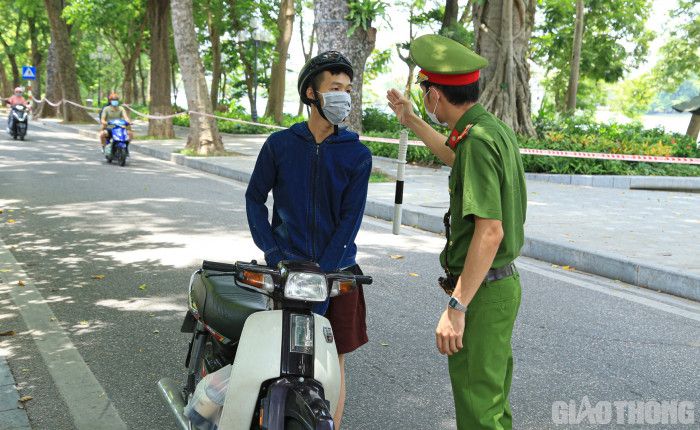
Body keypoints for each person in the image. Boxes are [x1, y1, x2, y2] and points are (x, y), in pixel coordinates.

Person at [386, 34, 527, 430]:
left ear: (436, 96)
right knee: (492, 404)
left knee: (478, 412)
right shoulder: (486, 130)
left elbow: (490, 233)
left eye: (425, 92)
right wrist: (411, 119)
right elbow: (453, 156)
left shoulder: (478, 141)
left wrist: (457, 307)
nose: (426, 99)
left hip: (482, 292)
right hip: (499, 288)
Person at [245, 50, 372, 429]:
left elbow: (351, 218)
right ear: (312, 94)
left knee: (333, 364)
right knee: (280, 358)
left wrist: (325, 268)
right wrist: (271, 251)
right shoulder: (280, 145)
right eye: (335, 88)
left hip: (338, 275)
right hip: (286, 270)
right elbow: (255, 197)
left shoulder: (357, 154)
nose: (344, 97)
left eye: (348, 89)